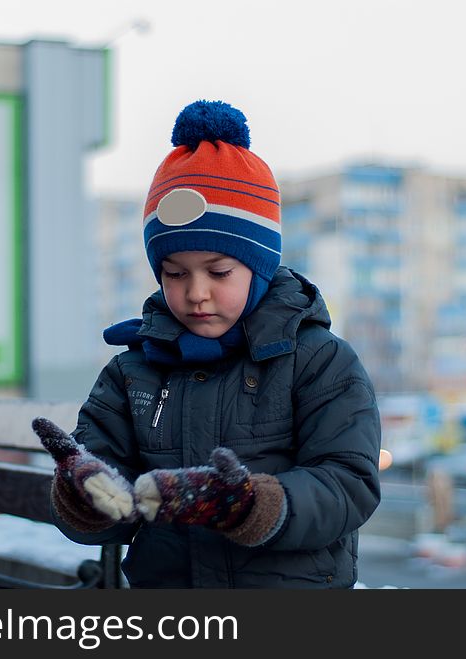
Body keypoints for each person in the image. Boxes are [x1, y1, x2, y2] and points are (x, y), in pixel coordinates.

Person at [34, 100, 383, 588]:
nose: (196, 293)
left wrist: (252, 506)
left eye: (219, 272)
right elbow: (110, 489)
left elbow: (347, 484)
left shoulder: (320, 362)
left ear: (258, 267)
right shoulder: (132, 373)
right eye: (174, 274)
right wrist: (86, 494)